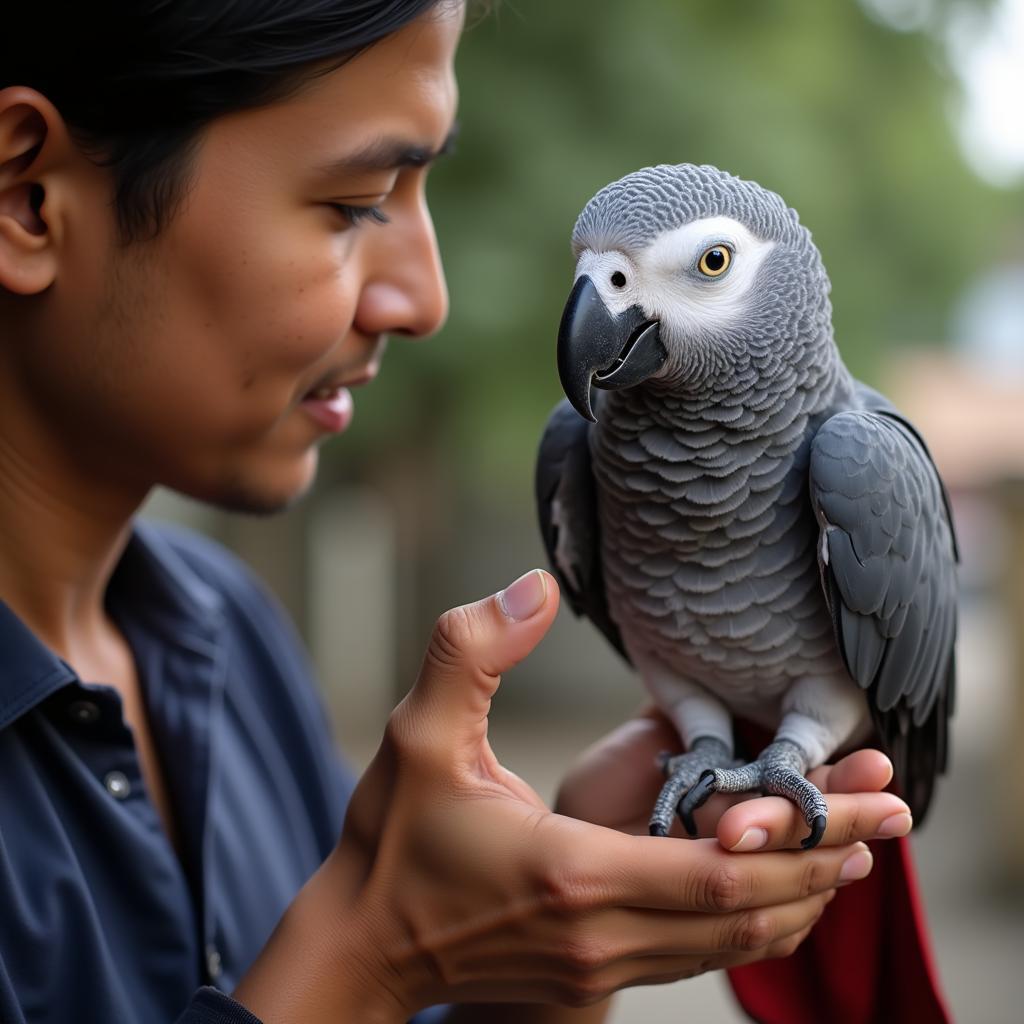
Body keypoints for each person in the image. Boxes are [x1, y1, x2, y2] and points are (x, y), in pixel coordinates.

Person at [0, 2, 914, 1022]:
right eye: (354, 201)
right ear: (28, 196)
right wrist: (377, 947)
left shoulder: (227, 630)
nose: (425, 299)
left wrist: (537, 947)